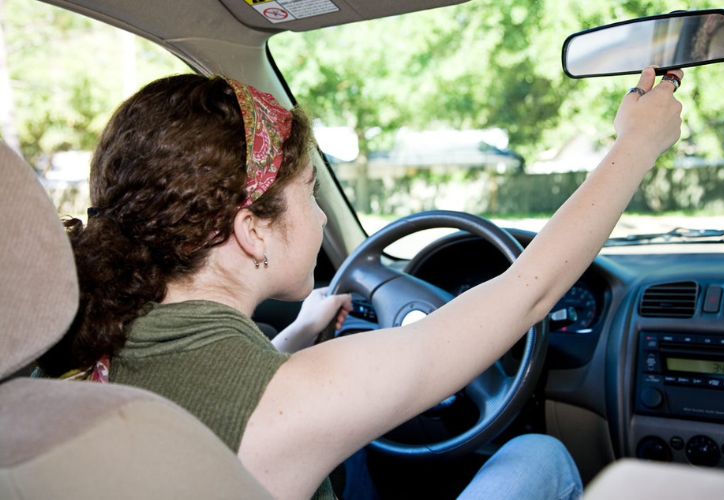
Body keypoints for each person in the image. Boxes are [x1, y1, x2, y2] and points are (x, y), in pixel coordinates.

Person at [39, 66, 683, 499]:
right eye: (310, 193)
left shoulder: (79, 348)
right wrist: (638, 142)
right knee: (542, 459)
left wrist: (294, 337)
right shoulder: (288, 402)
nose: (320, 216)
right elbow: (530, 293)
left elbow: (217, 400)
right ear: (252, 231)